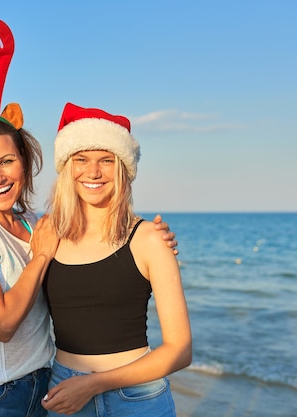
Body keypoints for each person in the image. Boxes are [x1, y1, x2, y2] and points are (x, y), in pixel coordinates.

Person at [0, 20, 179, 417]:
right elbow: (1, 324)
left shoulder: (39, 224)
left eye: (6, 161)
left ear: (25, 161)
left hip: (44, 391)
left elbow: (97, 227)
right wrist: (39, 259)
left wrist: (153, 238)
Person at [41, 103, 192, 416]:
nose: (93, 172)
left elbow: (180, 350)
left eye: (106, 160)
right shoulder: (47, 233)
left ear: (123, 167)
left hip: (137, 397)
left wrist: (94, 384)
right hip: (63, 391)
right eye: (81, 159)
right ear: (67, 166)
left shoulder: (149, 238)